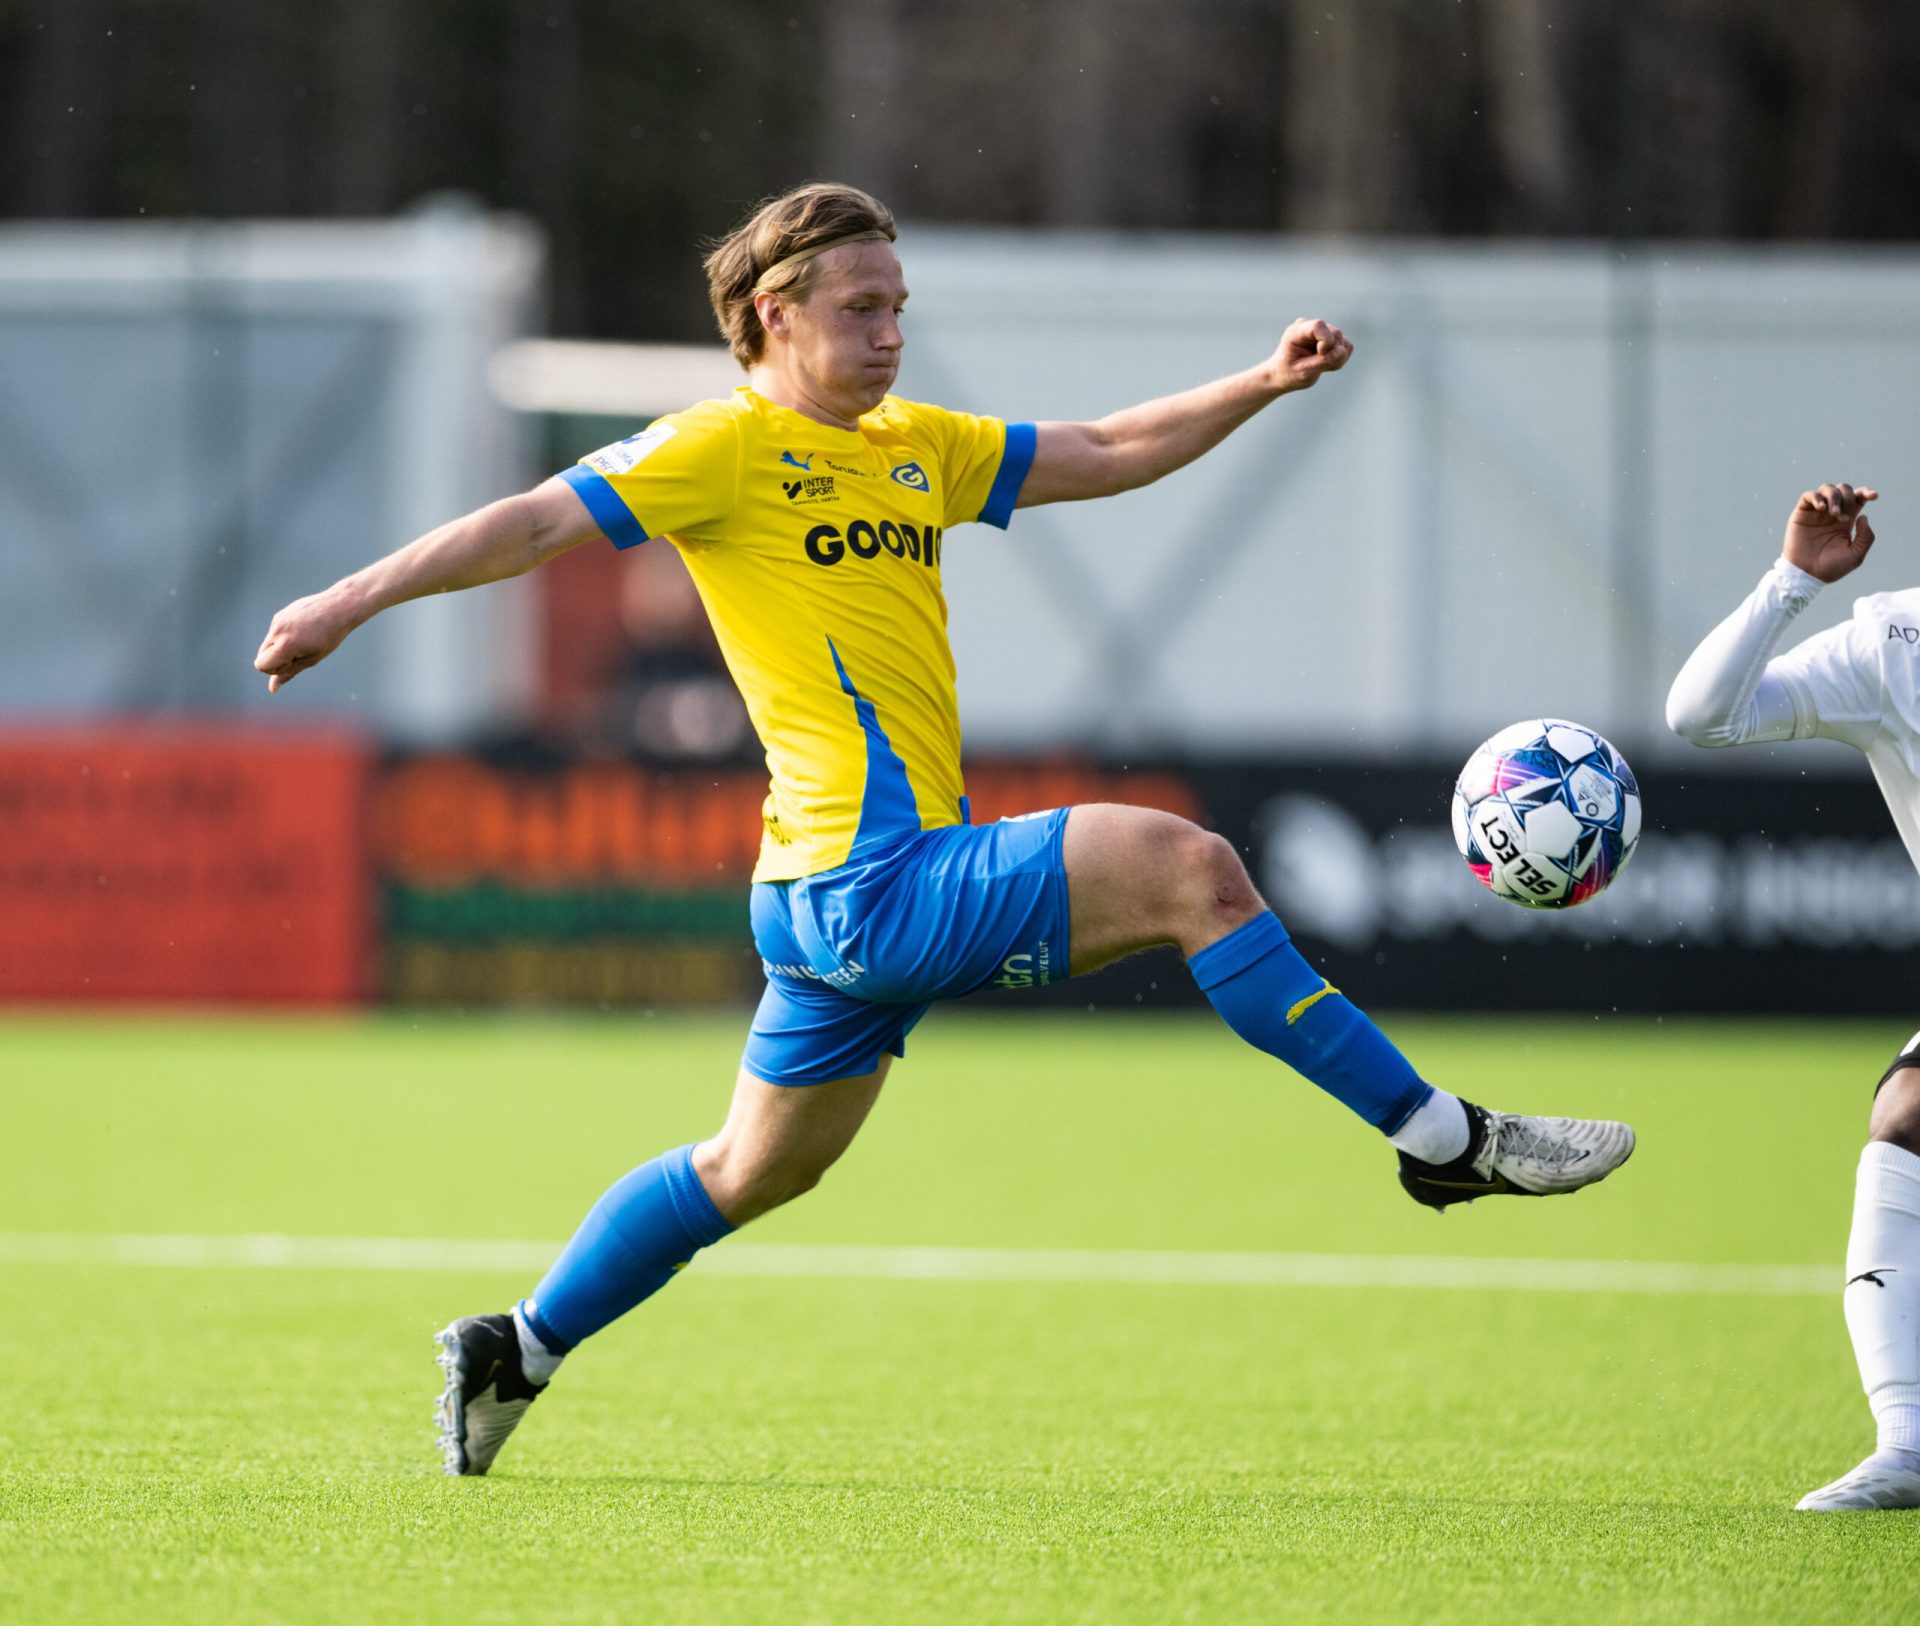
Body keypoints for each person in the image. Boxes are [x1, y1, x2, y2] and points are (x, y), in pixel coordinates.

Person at [254, 182, 1637, 1478]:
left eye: (898, 305)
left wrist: (1262, 384)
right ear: (771, 316)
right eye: (860, 308)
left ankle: (518, 1347)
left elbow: (1100, 449)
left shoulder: (917, 449)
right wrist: (344, 601)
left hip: (824, 892)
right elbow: (534, 520)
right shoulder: (721, 447)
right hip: (866, 877)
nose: (890, 333)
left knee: (752, 1167)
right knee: (1185, 866)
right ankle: (1440, 1133)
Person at [1667, 480, 1920, 1512]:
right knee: (1906, 1117)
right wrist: (1791, 582)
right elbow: (1701, 716)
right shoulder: (1896, 649)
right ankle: (1908, 1441)